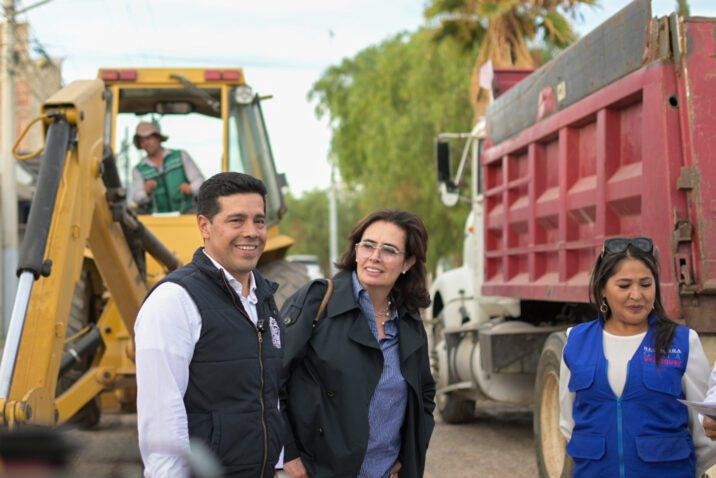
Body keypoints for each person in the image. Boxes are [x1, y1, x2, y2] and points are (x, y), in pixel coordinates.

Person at [135, 172, 284, 477]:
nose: (252, 232)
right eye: (236, 221)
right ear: (204, 226)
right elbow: (162, 417)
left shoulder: (264, 297)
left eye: (259, 221)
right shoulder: (174, 300)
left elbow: (270, 397)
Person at [279, 209, 436, 478]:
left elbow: (424, 395)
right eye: (368, 246)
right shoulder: (317, 301)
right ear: (355, 251)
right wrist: (288, 454)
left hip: (383, 471)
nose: (375, 256)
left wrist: (407, 455)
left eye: (389, 250)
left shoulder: (408, 319)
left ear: (408, 262)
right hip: (318, 470)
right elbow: (271, 380)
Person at [559, 237, 716, 477]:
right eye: (624, 286)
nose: (636, 295)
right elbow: (569, 423)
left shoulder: (683, 342)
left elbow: (705, 433)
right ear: (603, 289)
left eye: (646, 284)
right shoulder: (575, 341)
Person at [131, 121, 204, 213]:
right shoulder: (138, 170)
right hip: (155, 219)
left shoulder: (181, 155)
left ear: (158, 138)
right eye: (142, 141)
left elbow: (200, 181)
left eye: (148, 138)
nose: (146, 143)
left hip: (186, 215)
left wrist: (191, 188)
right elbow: (137, 198)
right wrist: (146, 191)